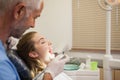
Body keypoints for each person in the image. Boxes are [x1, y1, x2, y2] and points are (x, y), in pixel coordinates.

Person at [0, 0, 69, 80]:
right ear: (19, 11)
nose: (33, 25)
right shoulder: (2, 65)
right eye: (34, 17)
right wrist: (49, 74)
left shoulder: (4, 51)